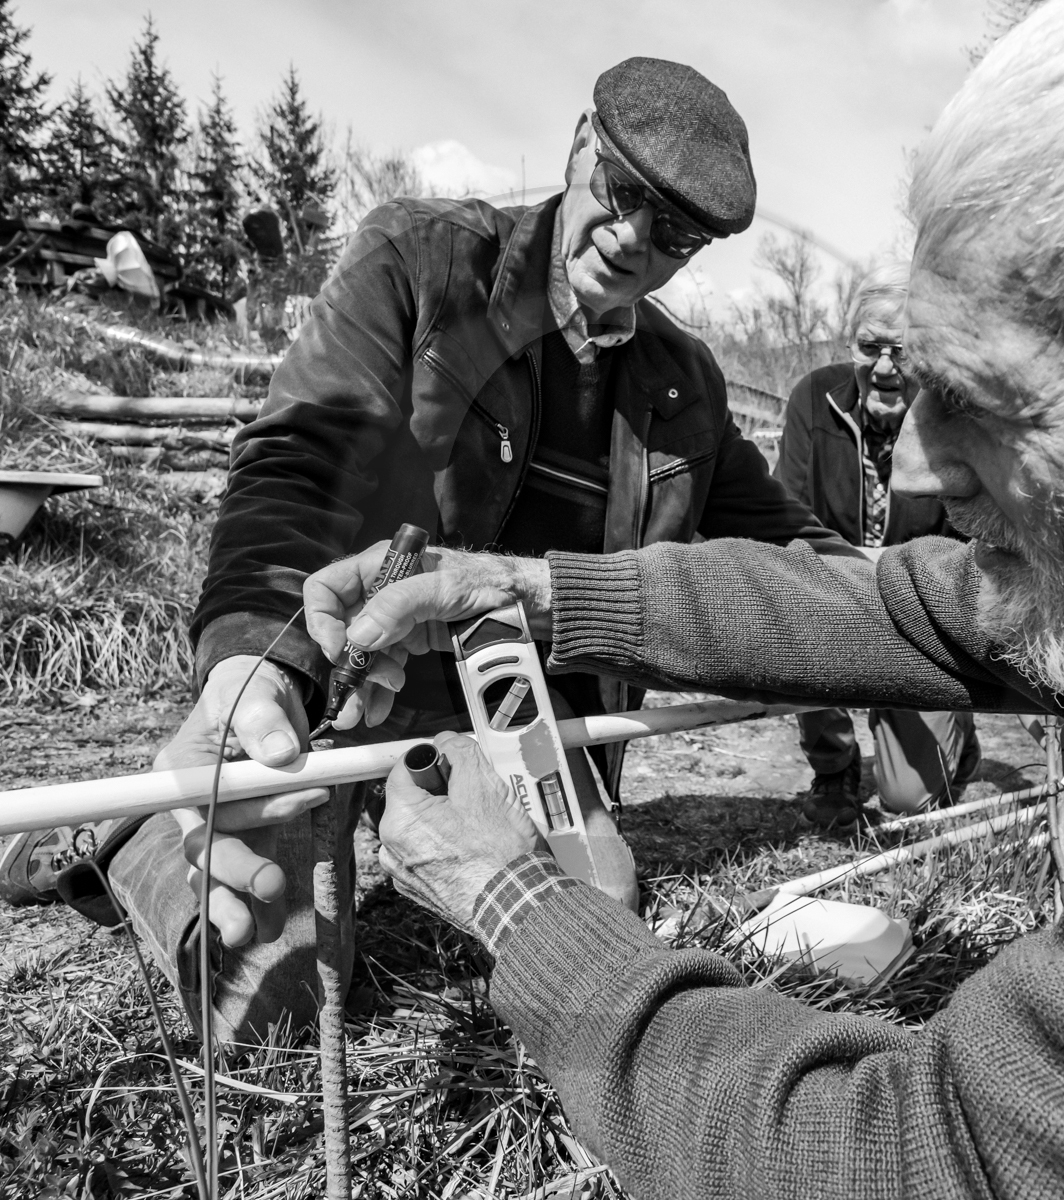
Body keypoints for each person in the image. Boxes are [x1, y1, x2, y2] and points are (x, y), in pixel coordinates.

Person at [298, 1, 1064, 1195]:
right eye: (916, 384)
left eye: (988, 402)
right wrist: (515, 584)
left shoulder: (680, 383)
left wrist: (518, 907)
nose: (917, 471)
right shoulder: (419, 267)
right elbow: (865, 602)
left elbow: (913, 1153)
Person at [0, 57, 851, 1044]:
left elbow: (792, 546)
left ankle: (193, 830)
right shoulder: (424, 261)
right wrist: (255, 651)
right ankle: (130, 841)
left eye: (675, 234)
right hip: (354, 676)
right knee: (268, 998)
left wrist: (917, 603)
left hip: (518, 718)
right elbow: (303, 456)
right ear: (580, 147)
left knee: (598, 917)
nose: (632, 241)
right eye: (622, 197)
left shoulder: (684, 387)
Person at [775, 263, 978, 827]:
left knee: (908, 802)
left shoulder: (952, 416)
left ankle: (957, 728)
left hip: (917, 611)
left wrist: (902, 586)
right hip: (829, 592)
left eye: (903, 351)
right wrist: (834, 576)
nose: (884, 366)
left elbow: (965, 541)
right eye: (870, 347)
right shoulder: (813, 398)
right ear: (851, 344)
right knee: (791, 614)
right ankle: (833, 766)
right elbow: (786, 507)